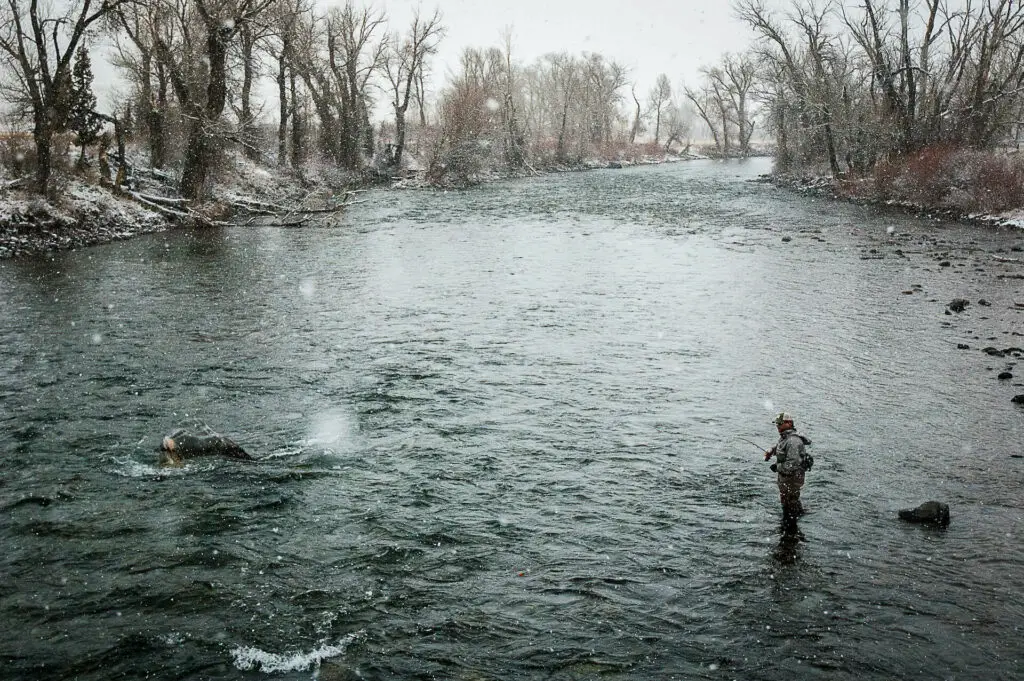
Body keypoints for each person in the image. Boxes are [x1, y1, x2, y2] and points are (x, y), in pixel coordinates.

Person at [763, 412, 812, 528]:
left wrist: (777, 467)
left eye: (780, 423)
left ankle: (790, 528)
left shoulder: (793, 441)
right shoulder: (785, 437)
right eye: (777, 424)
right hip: (787, 479)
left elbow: (792, 464)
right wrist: (771, 451)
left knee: (789, 504)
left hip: (792, 479)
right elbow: (780, 447)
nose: (778, 426)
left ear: (789, 423)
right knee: (789, 500)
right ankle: (795, 518)